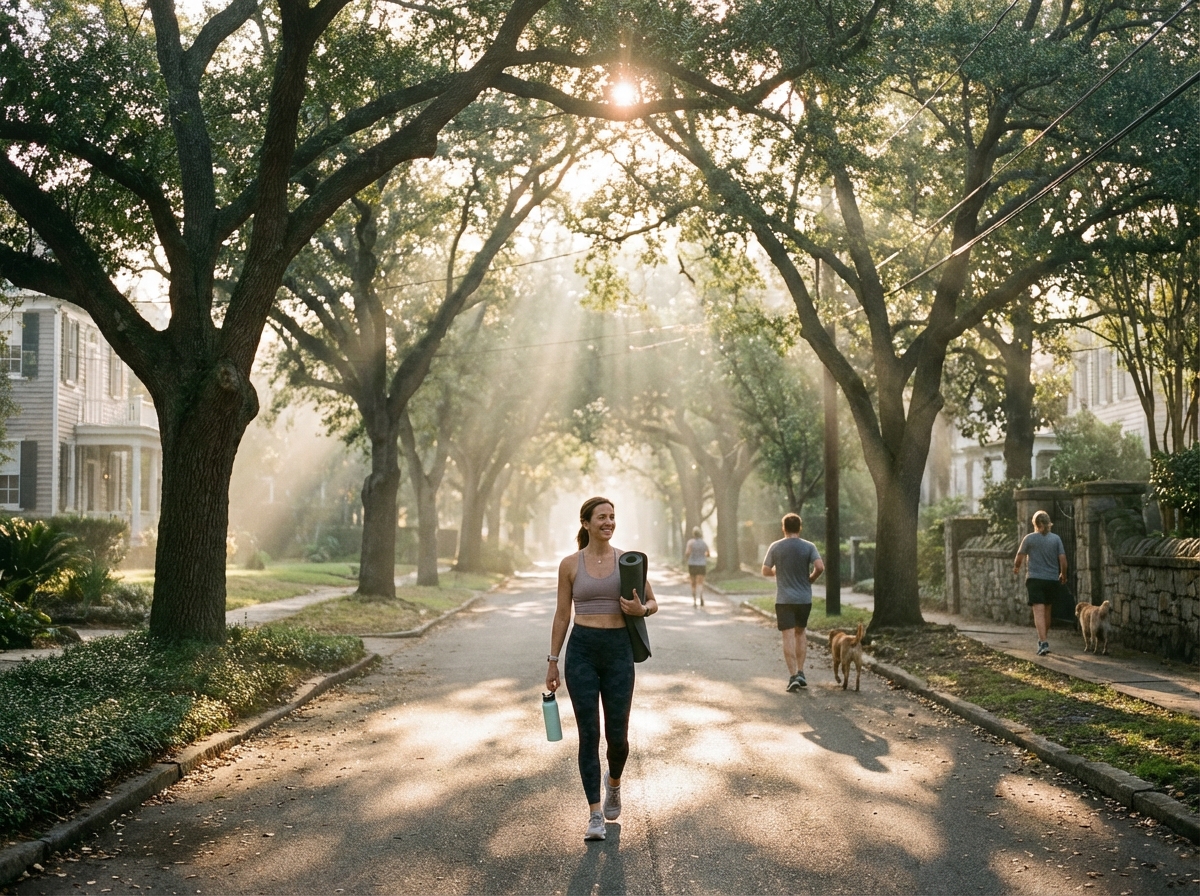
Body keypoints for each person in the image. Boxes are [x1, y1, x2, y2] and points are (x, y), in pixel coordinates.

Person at [546, 496, 658, 842]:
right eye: (601, 517)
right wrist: (552, 661)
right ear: (585, 523)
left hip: (618, 651)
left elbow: (653, 602)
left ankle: (614, 784)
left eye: (612, 517)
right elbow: (563, 615)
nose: (608, 522)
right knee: (588, 735)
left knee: (618, 736)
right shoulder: (569, 565)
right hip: (581, 651)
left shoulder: (628, 562)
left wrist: (642, 610)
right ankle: (595, 814)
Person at [762, 513, 824, 691]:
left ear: (783, 528)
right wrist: (810, 579)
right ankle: (801, 671)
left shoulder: (775, 546)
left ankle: (793, 676)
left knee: (787, 636)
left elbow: (765, 570)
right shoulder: (809, 546)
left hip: (784, 600)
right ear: (800, 527)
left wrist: (776, 572)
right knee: (800, 633)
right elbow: (820, 567)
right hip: (804, 599)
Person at [1013, 509, 1067, 656]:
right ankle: (1043, 639)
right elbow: (1063, 560)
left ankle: (1043, 642)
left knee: (1038, 611)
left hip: (1035, 579)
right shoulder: (1056, 539)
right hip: (1051, 580)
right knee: (1047, 610)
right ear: (1048, 523)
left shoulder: (1029, 538)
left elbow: (1019, 557)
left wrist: (1017, 567)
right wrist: (1063, 574)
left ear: (1035, 524)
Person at [684, 527, 710, 607]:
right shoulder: (704, 543)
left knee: (693, 582)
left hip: (692, 564)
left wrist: (688, 556)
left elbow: (687, 552)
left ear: (693, 534)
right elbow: (708, 554)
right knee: (701, 582)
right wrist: (702, 555)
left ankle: (694, 600)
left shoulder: (690, 542)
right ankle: (701, 596)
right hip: (702, 564)